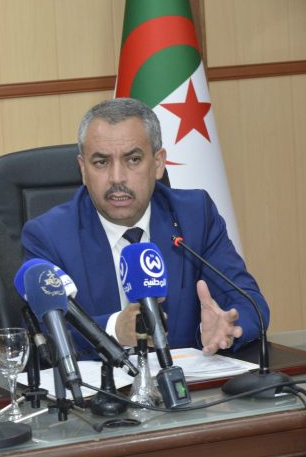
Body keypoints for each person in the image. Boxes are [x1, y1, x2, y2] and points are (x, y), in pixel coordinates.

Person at [21, 98, 268, 359]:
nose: (117, 178)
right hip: (103, 383)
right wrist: (115, 329)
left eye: (133, 159)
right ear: (83, 169)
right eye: (101, 162)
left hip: (187, 382)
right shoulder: (49, 235)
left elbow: (250, 303)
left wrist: (225, 327)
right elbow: (42, 336)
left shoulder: (195, 215)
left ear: (158, 163)